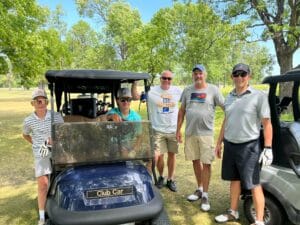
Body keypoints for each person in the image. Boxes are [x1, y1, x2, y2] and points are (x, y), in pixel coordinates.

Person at [214, 63, 273, 225]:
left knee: (254, 184)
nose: (240, 77)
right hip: (230, 145)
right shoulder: (229, 96)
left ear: (249, 76)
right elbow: (227, 121)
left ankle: (259, 221)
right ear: (232, 76)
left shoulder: (258, 96)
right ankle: (233, 212)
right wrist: (219, 143)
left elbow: (267, 124)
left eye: (243, 74)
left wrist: (268, 148)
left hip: (249, 147)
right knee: (234, 180)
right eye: (236, 74)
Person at [176, 64, 224, 211]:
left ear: (205, 74)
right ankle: (199, 188)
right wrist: (178, 130)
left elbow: (226, 108)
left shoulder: (213, 90)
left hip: (206, 134)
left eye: (200, 73)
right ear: (193, 75)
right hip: (190, 133)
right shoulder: (187, 90)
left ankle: (206, 196)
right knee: (195, 161)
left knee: (206, 163)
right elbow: (182, 110)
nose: (198, 76)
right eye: (195, 73)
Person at [133, 70, 182, 192]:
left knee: (172, 155)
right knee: (158, 156)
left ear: (172, 80)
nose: (166, 80)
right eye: (164, 78)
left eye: (169, 79)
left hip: (173, 129)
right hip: (157, 130)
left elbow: (188, 101)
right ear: (160, 78)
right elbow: (135, 96)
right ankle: (161, 177)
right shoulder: (152, 91)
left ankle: (170, 179)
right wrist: (135, 81)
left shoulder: (178, 91)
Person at [23, 88, 64, 225]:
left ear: (46, 102)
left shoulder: (56, 116)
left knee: (59, 179)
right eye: (37, 100)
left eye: (43, 100)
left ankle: (60, 206)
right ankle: (42, 216)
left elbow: (63, 131)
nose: (40, 102)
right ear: (32, 103)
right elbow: (25, 134)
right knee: (43, 183)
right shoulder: (28, 120)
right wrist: (38, 144)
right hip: (41, 150)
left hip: (58, 149)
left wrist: (55, 139)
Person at [105, 87, 142, 157]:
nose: (126, 102)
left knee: (152, 154)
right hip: (113, 145)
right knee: (123, 152)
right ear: (117, 101)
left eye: (128, 99)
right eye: (123, 100)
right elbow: (104, 118)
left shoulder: (136, 117)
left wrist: (134, 151)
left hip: (129, 144)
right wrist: (110, 117)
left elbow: (139, 137)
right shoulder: (112, 112)